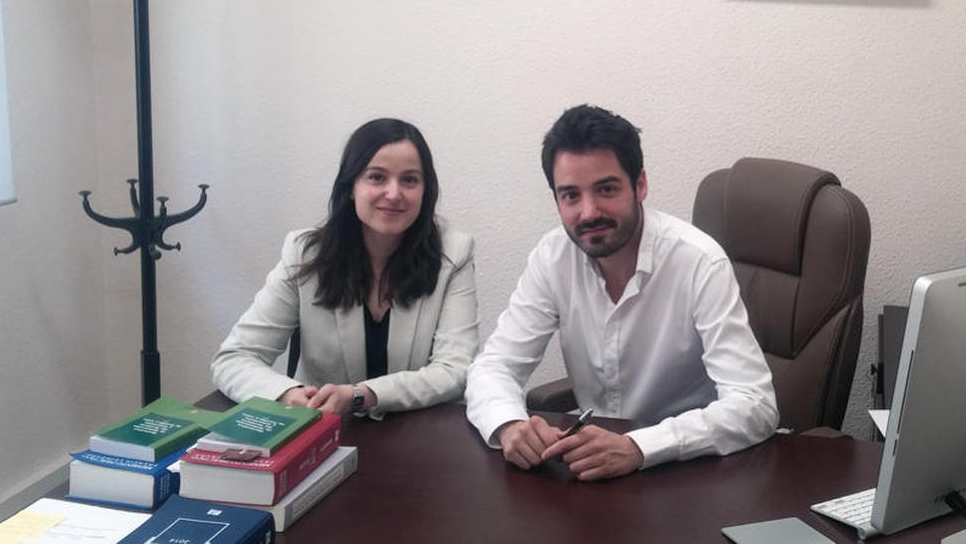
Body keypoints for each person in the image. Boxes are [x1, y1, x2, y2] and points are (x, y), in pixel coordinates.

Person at [464, 104, 778, 481]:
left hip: (691, 470)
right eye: (570, 195)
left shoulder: (699, 261)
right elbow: (494, 366)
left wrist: (639, 446)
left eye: (606, 189)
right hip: (594, 469)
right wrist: (508, 424)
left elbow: (754, 404)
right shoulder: (552, 257)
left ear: (640, 185)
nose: (588, 212)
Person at [211, 118, 477, 418]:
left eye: (409, 180)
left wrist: (362, 395)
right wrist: (288, 394)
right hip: (323, 429)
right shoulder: (304, 254)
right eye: (377, 177)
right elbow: (234, 358)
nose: (394, 193)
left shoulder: (453, 254)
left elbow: (456, 370)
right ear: (350, 186)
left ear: (425, 191)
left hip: (417, 434)